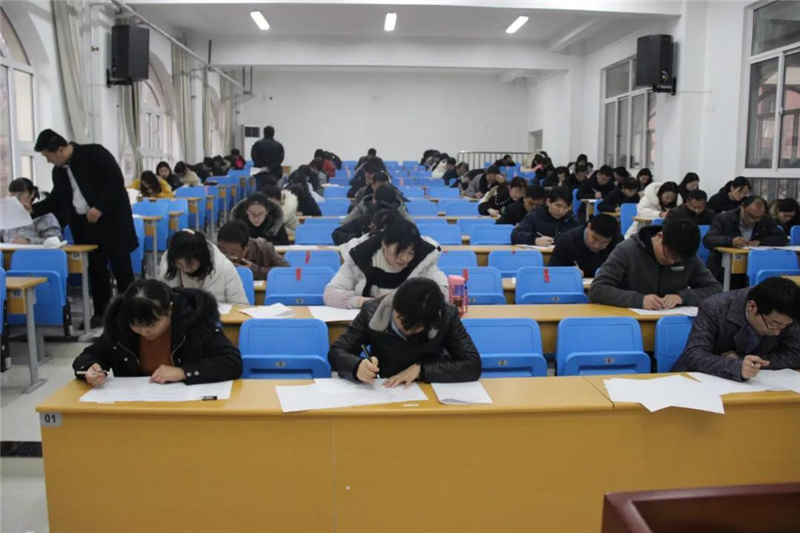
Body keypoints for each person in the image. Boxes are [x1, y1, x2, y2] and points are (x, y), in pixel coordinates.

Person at [32, 129, 138, 327]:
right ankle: (102, 314)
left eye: (48, 156)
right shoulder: (59, 172)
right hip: (85, 226)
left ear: (60, 149)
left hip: (112, 222)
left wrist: (100, 207)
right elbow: (57, 200)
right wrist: (32, 209)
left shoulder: (95, 153)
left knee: (121, 269)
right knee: (96, 271)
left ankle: (130, 314)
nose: (48, 161)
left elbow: (115, 182)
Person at [73, 279, 242, 387]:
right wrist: (89, 368)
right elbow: (88, 357)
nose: (144, 332)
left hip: (187, 405)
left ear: (170, 309)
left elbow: (231, 361)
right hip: (136, 406)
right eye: (136, 325)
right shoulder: (120, 327)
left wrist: (184, 372)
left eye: (151, 324)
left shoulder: (195, 322)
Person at [328, 278, 481, 387]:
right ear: (393, 307)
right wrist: (357, 366)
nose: (408, 331)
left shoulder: (447, 315)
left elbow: (472, 364)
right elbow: (337, 351)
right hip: (383, 389)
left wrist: (421, 369)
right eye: (402, 321)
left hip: (429, 389)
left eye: (418, 327)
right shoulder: (372, 311)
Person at [671, 277, 800, 381]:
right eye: (773, 324)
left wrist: (746, 361)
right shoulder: (714, 308)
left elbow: (795, 354)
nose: (777, 332)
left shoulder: (788, 314)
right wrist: (735, 366)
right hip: (702, 380)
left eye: (785, 326)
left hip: (761, 382)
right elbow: (694, 354)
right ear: (752, 307)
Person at [590, 219, 721, 309]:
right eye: (669, 254)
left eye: (678, 259)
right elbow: (598, 289)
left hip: (671, 322)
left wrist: (682, 297)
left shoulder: (687, 256)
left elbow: (714, 289)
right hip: (630, 321)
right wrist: (639, 300)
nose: (672, 262)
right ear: (659, 237)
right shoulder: (626, 251)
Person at [323, 218, 448, 309]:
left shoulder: (423, 262)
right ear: (384, 244)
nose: (405, 258)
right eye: (400, 251)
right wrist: (362, 302)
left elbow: (443, 293)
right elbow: (330, 294)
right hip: (365, 323)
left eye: (411, 253)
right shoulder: (361, 257)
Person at [703, 196, 789, 287]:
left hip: (753, 265)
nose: (753, 220)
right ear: (742, 208)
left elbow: (782, 238)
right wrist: (730, 241)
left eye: (757, 217)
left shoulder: (765, 220)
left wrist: (760, 242)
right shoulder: (723, 218)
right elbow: (708, 239)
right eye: (750, 216)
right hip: (723, 267)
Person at [158, 230, 248, 304]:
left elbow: (240, 305)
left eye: (190, 264)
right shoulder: (168, 269)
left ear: (202, 257)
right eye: (179, 264)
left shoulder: (224, 267)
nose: (185, 269)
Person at [548, 214, 622, 277]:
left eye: (604, 242)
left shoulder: (618, 243)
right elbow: (552, 271)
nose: (597, 245)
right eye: (594, 239)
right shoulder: (567, 241)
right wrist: (568, 272)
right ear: (589, 226)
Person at [216, 220, 288, 280]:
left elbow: (286, 270)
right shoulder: (214, 250)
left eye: (234, 252)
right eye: (223, 251)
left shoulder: (263, 248)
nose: (228, 256)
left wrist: (255, 269)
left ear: (247, 246)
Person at [511, 186, 579, 246]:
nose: (561, 211)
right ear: (548, 202)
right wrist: (535, 240)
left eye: (565, 208)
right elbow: (515, 236)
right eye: (558, 206)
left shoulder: (571, 220)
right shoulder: (535, 216)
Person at [1, 178, 62, 244]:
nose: (16, 199)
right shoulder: (7, 217)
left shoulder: (45, 216)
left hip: (34, 250)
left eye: (21, 194)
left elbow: (56, 240)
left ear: (32, 194)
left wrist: (29, 241)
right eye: (12, 195)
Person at [343, 175, 408, 224]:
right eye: (380, 186)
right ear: (373, 185)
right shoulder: (364, 203)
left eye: (385, 186)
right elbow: (346, 223)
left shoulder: (397, 201)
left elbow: (408, 222)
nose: (382, 189)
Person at [333, 206, 402, 248]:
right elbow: (337, 233)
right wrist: (357, 239)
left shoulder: (400, 230)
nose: (370, 226)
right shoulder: (364, 220)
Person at [251, 125, 285, 189]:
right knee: (274, 189)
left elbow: (254, 157)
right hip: (275, 172)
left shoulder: (257, 144)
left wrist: (263, 166)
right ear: (273, 133)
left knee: (260, 189)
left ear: (264, 133)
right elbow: (281, 158)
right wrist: (271, 167)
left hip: (260, 172)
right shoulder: (278, 145)